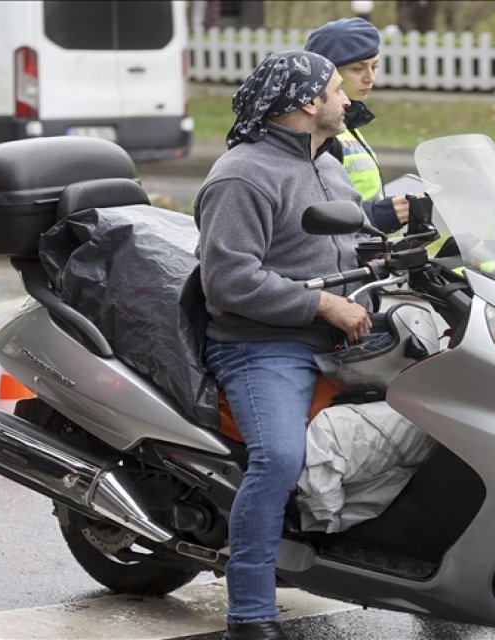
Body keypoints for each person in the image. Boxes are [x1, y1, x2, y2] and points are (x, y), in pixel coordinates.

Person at [194, 50, 373, 640]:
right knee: (279, 458)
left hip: (339, 337)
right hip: (262, 346)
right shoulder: (243, 175)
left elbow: (348, 246)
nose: (347, 99)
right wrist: (320, 304)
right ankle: (249, 612)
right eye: (335, 89)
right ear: (306, 103)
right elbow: (229, 279)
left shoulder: (328, 163)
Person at [304, 17, 410, 233]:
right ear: (327, 74)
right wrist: (378, 215)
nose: (370, 77)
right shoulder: (319, 131)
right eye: (357, 69)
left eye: (375, 66)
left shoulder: (348, 122)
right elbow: (313, 214)